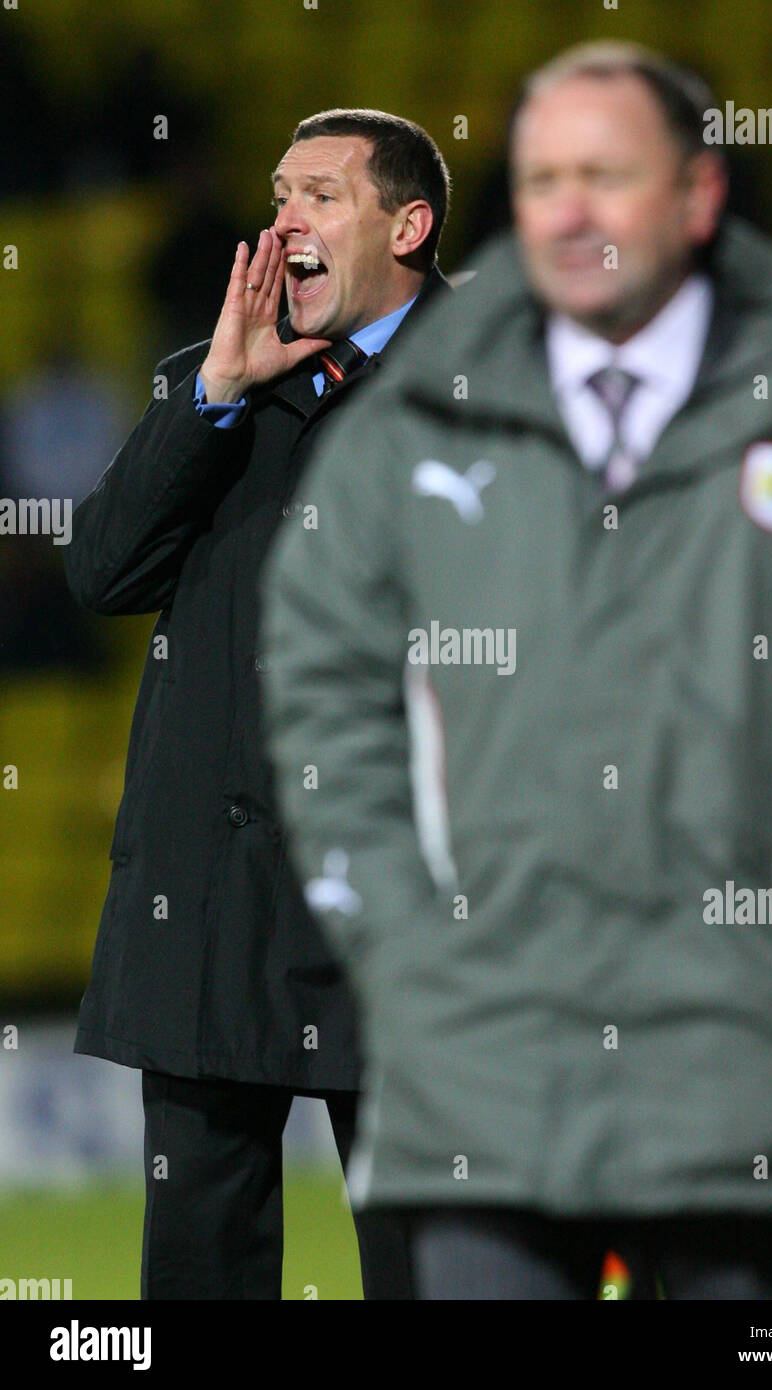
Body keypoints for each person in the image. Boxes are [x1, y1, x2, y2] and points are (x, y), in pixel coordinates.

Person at [261, 45, 772, 1299]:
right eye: (543, 176)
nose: (568, 208)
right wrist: (402, 942)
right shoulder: (408, 427)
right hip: (477, 1079)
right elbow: (319, 694)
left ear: (695, 197)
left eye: (605, 175)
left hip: (759, 1076)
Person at [65, 108, 451, 1300]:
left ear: (408, 224)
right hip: (208, 916)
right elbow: (102, 574)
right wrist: (217, 396)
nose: (285, 222)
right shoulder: (212, 375)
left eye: (320, 196)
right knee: (198, 1275)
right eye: (279, 193)